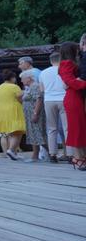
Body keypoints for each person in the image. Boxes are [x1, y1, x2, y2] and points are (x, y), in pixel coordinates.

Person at [58, 42, 86, 170]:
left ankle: (80, 157)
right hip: (73, 98)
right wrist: (83, 84)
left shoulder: (68, 63)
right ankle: (78, 158)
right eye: (77, 48)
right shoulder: (66, 63)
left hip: (75, 97)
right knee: (76, 129)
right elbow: (69, 81)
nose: (79, 50)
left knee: (79, 128)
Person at [39, 52, 70, 163]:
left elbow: (41, 90)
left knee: (52, 128)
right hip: (63, 99)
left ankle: (52, 154)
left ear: (51, 60)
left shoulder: (43, 73)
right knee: (67, 128)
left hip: (49, 100)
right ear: (61, 60)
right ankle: (70, 154)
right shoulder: (65, 70)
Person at [0, 70, 26, 160]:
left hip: (1, 110)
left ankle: (13, 153)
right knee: (18, 131)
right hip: (13, 109)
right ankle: (11, 150)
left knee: (8, 131)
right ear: (12, 78)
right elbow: (20, 99)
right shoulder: (14, 87)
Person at [20, 70, 46, 163]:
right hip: (30, 114)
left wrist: (36, 114)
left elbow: (39, 100)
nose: (22, 81)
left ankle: (49, 154)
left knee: (39, 134)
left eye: (22, 79)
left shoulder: (35, 86)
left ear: (29, 78)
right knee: (34, 134)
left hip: (35, 114)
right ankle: (37, 154)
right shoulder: (29, 87)